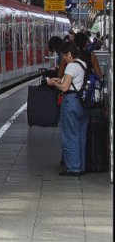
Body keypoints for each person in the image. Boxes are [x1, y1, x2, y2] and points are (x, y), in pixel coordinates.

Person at [46, 42, 89, 175]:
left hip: (71, 102)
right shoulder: (83, 64)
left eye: (64, 56)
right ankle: (80, 166)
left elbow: (65, 87)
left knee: (70, 135)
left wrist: (53, 83)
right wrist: (60, 81)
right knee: (80, 135)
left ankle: (73, 168)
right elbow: (74, 83)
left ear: (69, 54)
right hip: (82, 103)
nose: (64, 59)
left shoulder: (71, 66)